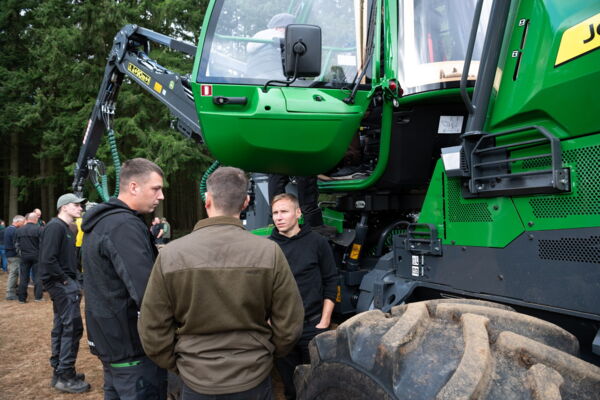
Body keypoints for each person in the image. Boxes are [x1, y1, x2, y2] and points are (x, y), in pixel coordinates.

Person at [139, 166, 304, 399]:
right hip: (252, 377)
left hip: (196, 379)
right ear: (246, 202)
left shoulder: (172, 254)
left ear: (207, 201)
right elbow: (290, 324)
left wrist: (181, 364)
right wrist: (264, 354)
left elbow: (152, 329)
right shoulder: (269, 252)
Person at [81, 158, 167, 400]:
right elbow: (147, 292)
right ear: (133, 187)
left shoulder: (102, 222)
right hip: (132, 352)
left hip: (112, 345)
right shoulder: (123, 226)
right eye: (156, 188)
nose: (160, 196)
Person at [269, 193, 338, 400]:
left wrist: (324, 321)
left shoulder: (317, 242)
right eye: (275, 213)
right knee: (290, 388)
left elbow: (331, 280)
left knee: (318, 385)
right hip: (282, 329)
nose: (278, 217)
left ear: (298, 213)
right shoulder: (269, 247)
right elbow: (261, 288)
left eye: (284, 212)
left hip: (313, 326)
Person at [39, 194, 90, 393]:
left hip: (66, 284)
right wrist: (67, 282)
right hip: (61, 285)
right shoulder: (55, 227)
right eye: (76, 205)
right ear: (64, 207)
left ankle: (60, 371)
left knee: (62, 326)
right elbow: (48, 260)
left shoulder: (67, 228)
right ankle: (65, 376)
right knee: (72, 328)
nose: (80, 208)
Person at [246, 13, 295, 79]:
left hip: (253, 75)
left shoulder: (259, 35)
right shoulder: (278, 36)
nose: (290, 31)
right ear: (278, 27)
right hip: (273, 76)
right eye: (288, 29)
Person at [15, 212, 43, 302]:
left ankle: (21, 298)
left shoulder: (19, 230)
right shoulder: (40, 229)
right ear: (36, 219)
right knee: (37, 277)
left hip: (24, 256)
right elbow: (43, 244)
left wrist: (20, 253)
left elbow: (16, 244)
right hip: (37, 255)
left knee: (23, 277)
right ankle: (38, 297)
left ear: (27, 219)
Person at [4, 215, 25, 300]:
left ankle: (13, 290)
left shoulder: (8, 229)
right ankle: (10, 293)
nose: (23, 224)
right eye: (22, 222)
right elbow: (16, 244)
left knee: (13, 273)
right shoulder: (14, 231)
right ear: (17, 222)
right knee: (13, 273)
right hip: (14, 255)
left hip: (10, 254)